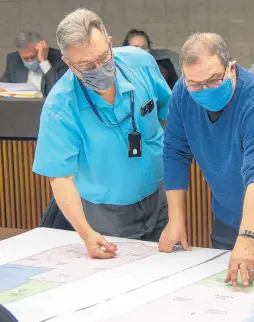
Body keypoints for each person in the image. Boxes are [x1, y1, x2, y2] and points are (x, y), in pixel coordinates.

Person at [159, 33, 254, 287]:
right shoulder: (182, 92)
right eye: (195, 84)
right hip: (224, 218)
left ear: (231, 68)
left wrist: (247, 237)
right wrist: (175, 219)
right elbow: (175, 152)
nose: (204, 90)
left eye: (213, 80)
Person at [32, 9, 171, 259]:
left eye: (103, 58)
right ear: (69, 63)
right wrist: (86, 233)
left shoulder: (141, 63)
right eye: (86, 65)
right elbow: (60, 179)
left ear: (109, 42)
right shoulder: (60, 107)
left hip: (159, 199)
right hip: (108, 213)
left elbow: (168, 111)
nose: (99, 68)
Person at [0, 31, 68, 96]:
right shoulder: (13, 60)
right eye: (25, 59)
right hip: (20, 106)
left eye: (33, 56)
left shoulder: (60, 58)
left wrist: (44, 61)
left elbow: (60, 90)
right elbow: (4, 86)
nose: (30, 61)